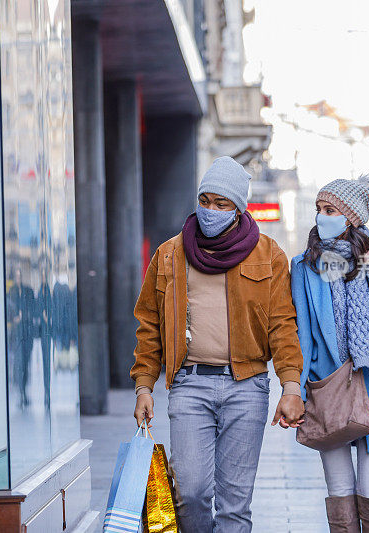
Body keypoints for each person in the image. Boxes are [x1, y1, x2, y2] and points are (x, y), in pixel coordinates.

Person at [130, 156, 304, 533]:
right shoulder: (169, 254)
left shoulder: (268, 254)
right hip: (190, 385)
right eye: (205, 200)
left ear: (239, 208)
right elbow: (149, 324)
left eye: (221, 204)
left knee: (234, 506)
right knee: (189, 493)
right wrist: (144, 386)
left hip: (248, 386)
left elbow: (282, 326)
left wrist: (290, 387)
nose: (211, 210)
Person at [290, 175, 369, 533]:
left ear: (351, 218)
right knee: (339, 491)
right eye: (319, 209)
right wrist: (296, 389)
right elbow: (304, 336)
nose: (321, 216)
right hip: (329, 386)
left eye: (330, 210)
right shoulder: (303, 267)